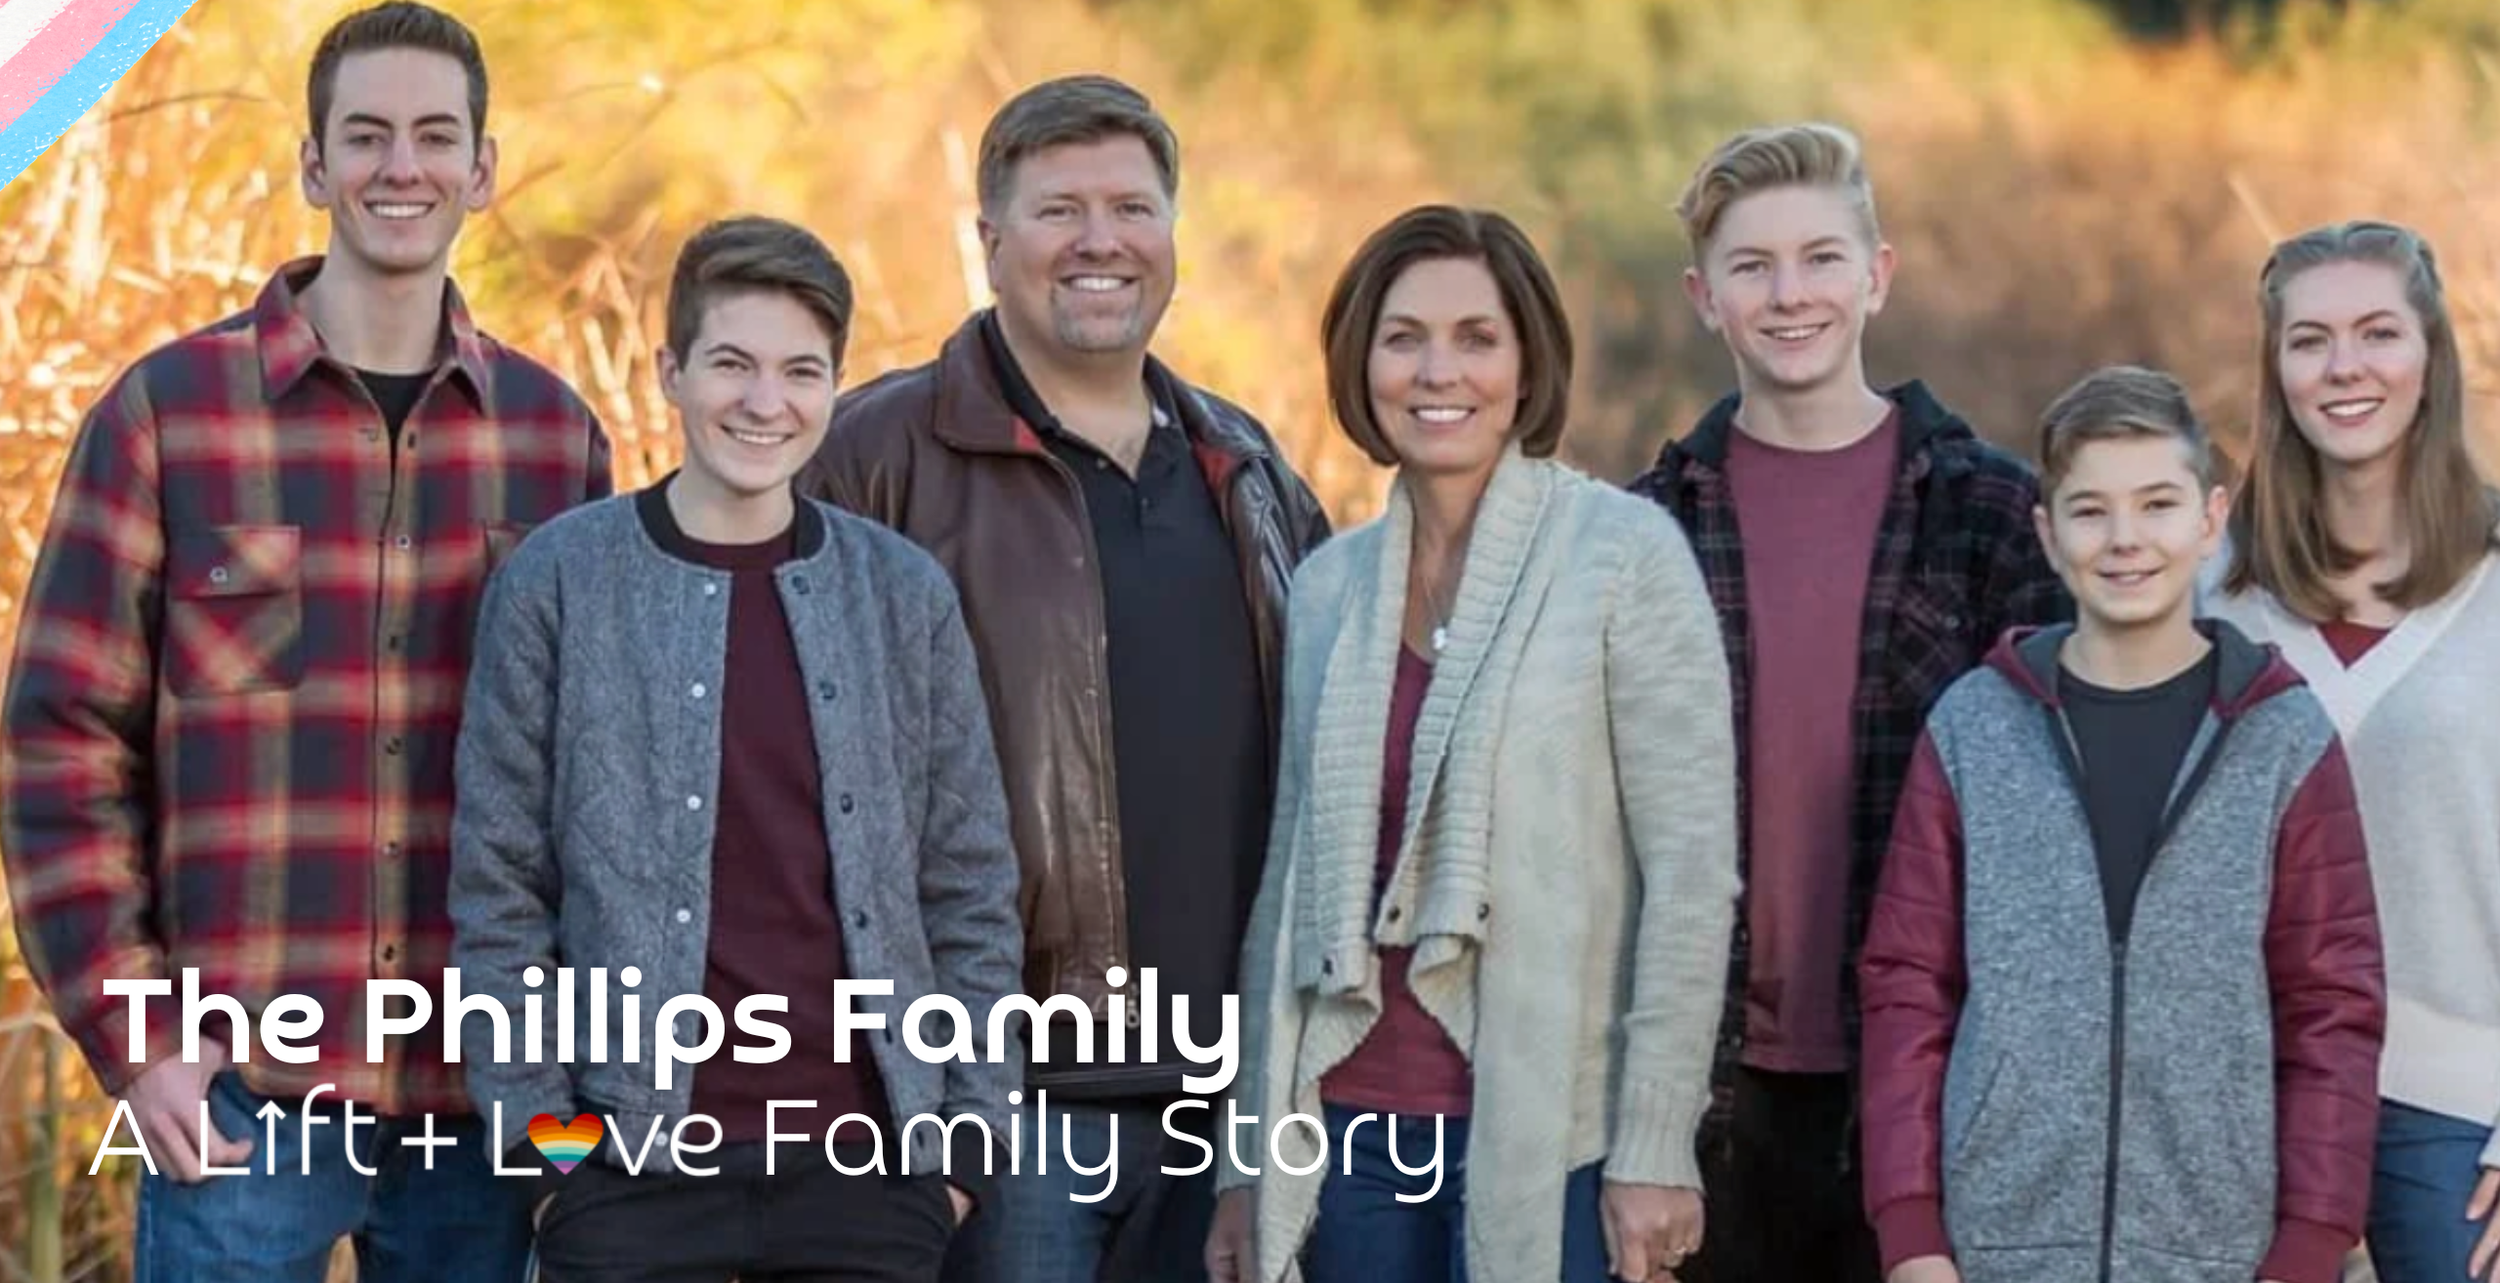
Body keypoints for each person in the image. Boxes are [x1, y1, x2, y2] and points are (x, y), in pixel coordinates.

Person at [0, 0, 612, 1281]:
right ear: (314, 166)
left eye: (437, 136)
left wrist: (577, 1081)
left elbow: (594, 783)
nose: (404, 167)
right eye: (368, 134)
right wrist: (135, 1034)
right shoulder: (168, 414)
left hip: (481, 1106)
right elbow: (61, 744)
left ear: (483, 172)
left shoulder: (556, 443)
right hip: (238, 1095)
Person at [801, 74, 1330, 1283]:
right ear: (989, 240)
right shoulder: (871, 458)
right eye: (1059, 210)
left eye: (1133, 208)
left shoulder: (1245, 468)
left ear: (1172, 235)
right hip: (1000, 1099)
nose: (1101, 241)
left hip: (1231, 1103)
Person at [450, 216, 1024, 1282]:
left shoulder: (902, 595)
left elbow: (970, 887)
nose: (766, 402)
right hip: (627, 1170)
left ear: (834, 385)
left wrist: (960, 1148)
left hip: (869, 1171)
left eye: (801, 370)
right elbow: (500, 890)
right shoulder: (558, 582)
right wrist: (544, 1152)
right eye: (731, 363)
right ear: (670, 371)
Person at [1205, 205, 1738, 1283]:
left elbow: (1689, 877)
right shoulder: (1328, 588)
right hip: (1348, 1124)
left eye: (1475, 337)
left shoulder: (1623, 556)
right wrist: (1242, 1153)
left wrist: (1654, 1140)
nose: (1436, 370)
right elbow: (1286, 889)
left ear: (1527, 361)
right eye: (1403, 337)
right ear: (1362, 364)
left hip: (1556, 1131)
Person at [1626, 122, 2068, 1283]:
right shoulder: (1640, 532)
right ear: (1701, 297)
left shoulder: (1993, 519)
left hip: (1926, 1086)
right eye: (1750, 265)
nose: (1789, 294)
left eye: (1821, 258)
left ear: (1878, 275)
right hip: (1698, 1092)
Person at [1860, 364, 2386, 1283]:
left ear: (2211, 519)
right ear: (2047, 532)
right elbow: (1909, 987)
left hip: (2220, 1251)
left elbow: (2331, 1010)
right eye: (2091, 510)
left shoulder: (2284, 741)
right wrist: (1913, 1234)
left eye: (2157, 504)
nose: (2125, 540)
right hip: (1997, 1248)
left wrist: (2311, 1241)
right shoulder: (1972, 729)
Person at [2203, 220, 2500, 1283]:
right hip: (2247, 1110)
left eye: (2377, 331)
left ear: (2431, 356)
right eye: (2309, 339)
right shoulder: (2207, 594)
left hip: (2463, 1120)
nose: (2344, 367)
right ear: (2274, 368)